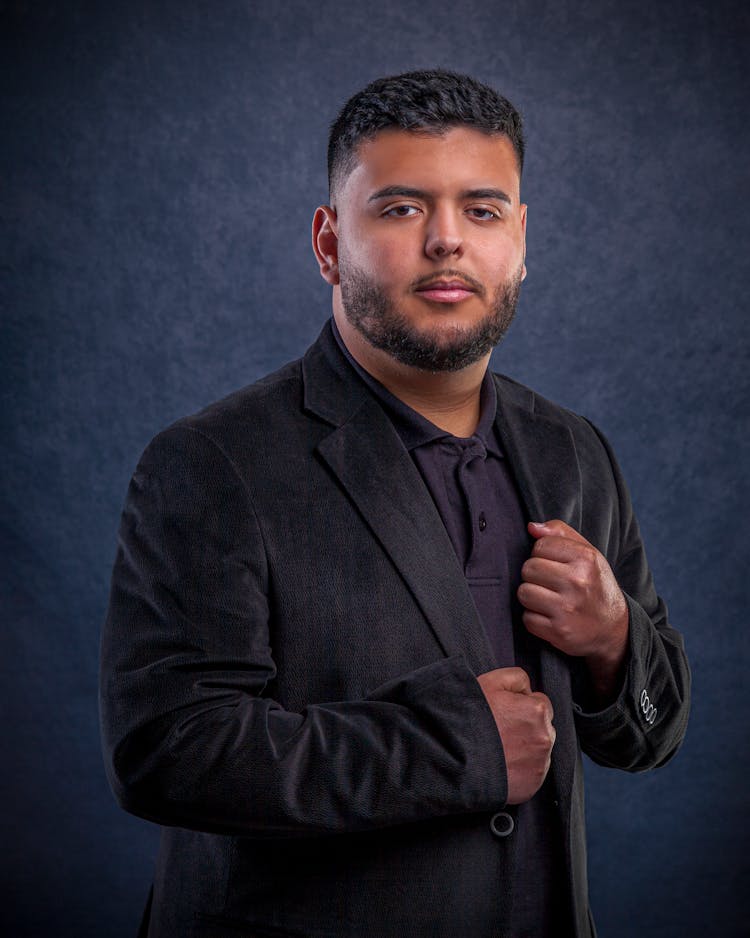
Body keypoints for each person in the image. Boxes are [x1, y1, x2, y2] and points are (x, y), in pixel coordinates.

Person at [100, 70, 690, 938]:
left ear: (520, 240)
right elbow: (165, 753)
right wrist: (459, 749)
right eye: (402, 209)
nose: (447, 241)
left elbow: (653, 731)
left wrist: (614, 644)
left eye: (482, 210)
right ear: (329, 243)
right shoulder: (213, 463)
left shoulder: (574, 451)